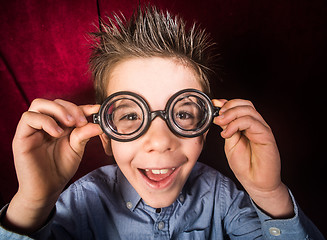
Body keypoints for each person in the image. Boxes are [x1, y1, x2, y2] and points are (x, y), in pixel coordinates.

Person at [0, 5, 324, 240]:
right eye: (130, 116)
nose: (160, 140)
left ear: (207, 125)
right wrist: (32, 203)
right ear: (105, 138)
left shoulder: (222, 198)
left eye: (182, 113)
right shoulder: (80, 203)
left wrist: (269, 193)